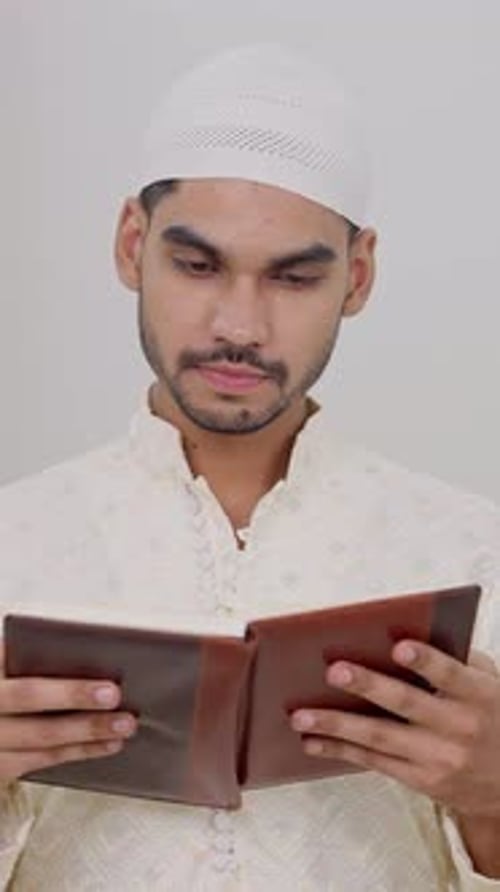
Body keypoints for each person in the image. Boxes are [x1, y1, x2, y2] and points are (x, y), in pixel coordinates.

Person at [0, 43, 499, 891]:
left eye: (294, 278)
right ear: (132, 244)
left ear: (359, 275)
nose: (240, 324)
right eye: (197, 266)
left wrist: (494, 796)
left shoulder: (471, 550)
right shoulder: (14, 539)